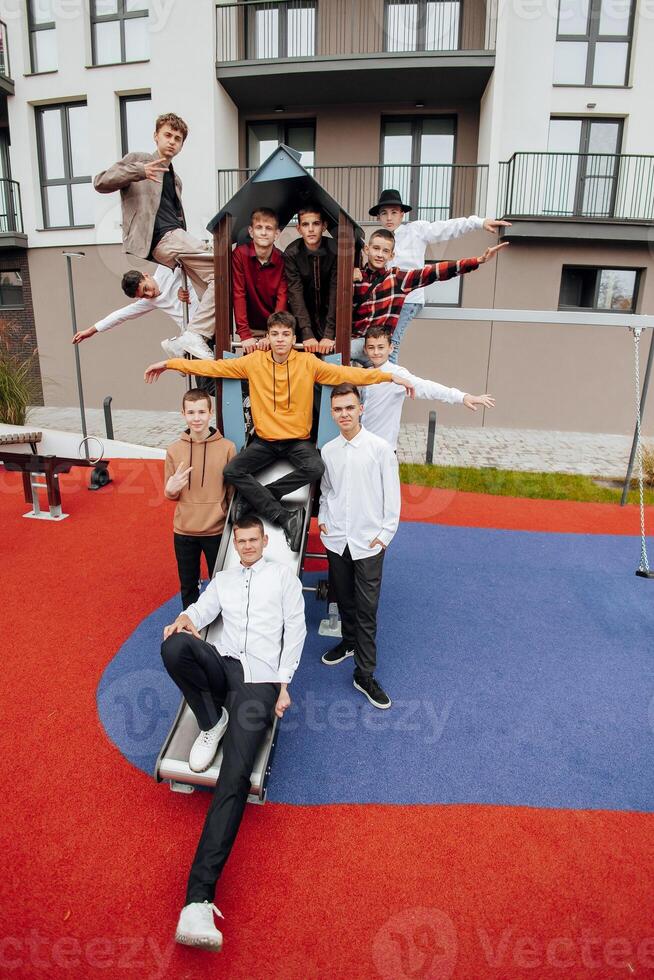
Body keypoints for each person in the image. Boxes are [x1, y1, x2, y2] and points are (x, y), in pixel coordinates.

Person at [144, 311, 415, 552]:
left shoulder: (308, 363)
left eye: (286, 334)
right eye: (275, 334)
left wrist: (388, 376)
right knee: (231, 471)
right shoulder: (253, 363)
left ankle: (266, 495)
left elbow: (350, 374)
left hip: (297, 441)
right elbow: (212, 367)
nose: (281, 339)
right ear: (269, 338)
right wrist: (170, 364)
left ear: (293, 337)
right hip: (266, 441)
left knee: (316, 469)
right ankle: (284, 517)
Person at [160, 515, 306, 951]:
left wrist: (283, 686)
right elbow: (203, 612)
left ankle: (198, 899)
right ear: (235, 542)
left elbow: (295, 632)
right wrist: (184, 617)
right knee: (174, 645)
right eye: (239, 540)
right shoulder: (223, 578)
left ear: (264, 541)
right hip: (223, 666)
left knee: (235, 777)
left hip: (259, 680)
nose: (245, 545)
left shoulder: (283, 578)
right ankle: (211, 721)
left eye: (252, 540)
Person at [93, 112, 214, 360]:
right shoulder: (139, 160)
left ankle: (187, 340)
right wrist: (138, 171)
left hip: (175, 241)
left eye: (177, 138)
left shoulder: (175, 179)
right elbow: (100, 182)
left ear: (181, 146)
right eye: (167, 135)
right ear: (156, 136)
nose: (172, 141)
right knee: (224, 262)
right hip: (162, 238)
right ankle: (193, 336)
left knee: (218, 285)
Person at [319, 383, 400, 710]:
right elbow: (326, 491)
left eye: (349, 408)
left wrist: (385, 535)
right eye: (338, 409)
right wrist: (324, 518)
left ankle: (364, 674)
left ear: (360, 409)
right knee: (345, 597)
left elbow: (392, 496)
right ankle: (349, 642)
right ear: (332, 412)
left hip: (369, 542)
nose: (344, 414)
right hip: (337, 539)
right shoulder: (328, 450)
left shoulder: (380, 449)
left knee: (367, 609)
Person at [369, 188, 511, 363]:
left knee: (391, 343)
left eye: (394, 212)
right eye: (384, 213)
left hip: (408, 298)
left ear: (402, 214)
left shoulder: (416, 230)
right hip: (386, 299)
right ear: (378, 217)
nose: (389, 218)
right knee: (374, 343)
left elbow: (447, 228)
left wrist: (478, 222)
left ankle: (388, 387)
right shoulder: (379, 239)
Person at [350, 228, 508, 365]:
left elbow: (434, 271)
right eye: (376, 248)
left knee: (380, 390)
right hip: (356, 343)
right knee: (336, 355)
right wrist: (350, 273)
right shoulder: (354, 277)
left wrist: (478, 260)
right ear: (366, 249)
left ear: (392, 256)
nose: (379, 254)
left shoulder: (397, 279)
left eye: (385, 251)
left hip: (379, 349)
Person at [361, 326, 495, 449]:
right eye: (371, 347)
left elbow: (427, 387)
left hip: (384, 447)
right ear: (365, 350)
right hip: (364, 444)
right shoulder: (364, 373)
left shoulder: (398, 374)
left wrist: (462, 396)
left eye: (381, 347)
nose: (376, 352)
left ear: (390, 348)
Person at [164, 388, 237, 609]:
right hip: (184, 531)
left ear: (210, 412)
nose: (197, 418)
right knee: (188, 586)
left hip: (216, 530)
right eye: (191, 412)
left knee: (221, 585)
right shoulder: (174, 450)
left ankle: (221, 627)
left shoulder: (227, 448)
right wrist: (170, 490)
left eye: (201, 412)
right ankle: (190, 627)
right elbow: (170, 492)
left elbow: (232, 492)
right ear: (183, 413)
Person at [71, 265, 198, 357]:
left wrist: (182, 290)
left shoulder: (166, 268)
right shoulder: (149, 301)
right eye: (144, 295)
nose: (150, 294)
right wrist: (91, 330)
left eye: (146, 288)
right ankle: (180, 350)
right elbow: (121, 315)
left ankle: (179, 347)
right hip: (192, 334)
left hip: (204, 316)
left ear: (146, 276)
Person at [232, 208, 287, 353]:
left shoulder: (282, 260)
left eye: (268, 228)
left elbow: (282, 298)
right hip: (252, 330)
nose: (263, 232)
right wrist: (244, 335)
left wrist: (274, 333)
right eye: (259, 228)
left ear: (276, 234)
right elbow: (239, 293)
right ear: (251, 232)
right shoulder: (239, 255)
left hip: (277, 328)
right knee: (251, 371)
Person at [283, 204, 337, 354]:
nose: (311, 229)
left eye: (316, 224)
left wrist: (329, 333)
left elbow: (336, 291)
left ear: (324, 226)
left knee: (331, 371)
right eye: (306, 224)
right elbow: (295, 294)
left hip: (331, 320)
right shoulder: (291, 253)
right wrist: (306, 332)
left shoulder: (335, 250)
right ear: (299, 229)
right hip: (302, 320)